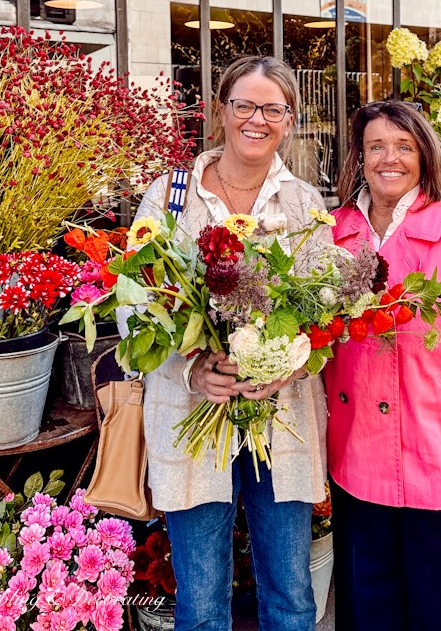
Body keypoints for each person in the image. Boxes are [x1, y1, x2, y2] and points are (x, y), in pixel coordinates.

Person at [133, 56, 332, 631]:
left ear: (289, 121)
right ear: (221, 111)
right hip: (194, 412)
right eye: (244, 104)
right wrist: (192, 366)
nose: (257, 119)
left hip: (282, 414)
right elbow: (134, 305)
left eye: (273, 108)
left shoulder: (302, 204)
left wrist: (288, 364)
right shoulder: (170, 198)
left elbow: (322, 315)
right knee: (201, 601)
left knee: (291, 593)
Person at [325, 99, 441, 631]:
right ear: (360, 156)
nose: (388, 158)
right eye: (376, 146)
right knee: (368, 610)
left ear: (424, 156)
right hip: (356, 457)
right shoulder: (332, 234)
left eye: (404, 146)